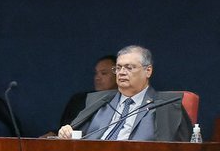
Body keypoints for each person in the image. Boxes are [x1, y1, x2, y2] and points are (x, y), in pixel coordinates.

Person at [59, 45, 192, 141]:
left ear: (148, 71)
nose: (122, 72)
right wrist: (66, 133)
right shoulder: (98, 102)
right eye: (118, 68)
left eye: (129, 68)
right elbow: (76, 138)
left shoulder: (167, 106)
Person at [56, 54, 116, 130]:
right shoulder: (79, 99)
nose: (97, 78)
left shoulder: (124, 101)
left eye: (104, 73)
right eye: (96, 73)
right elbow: (65, 127)